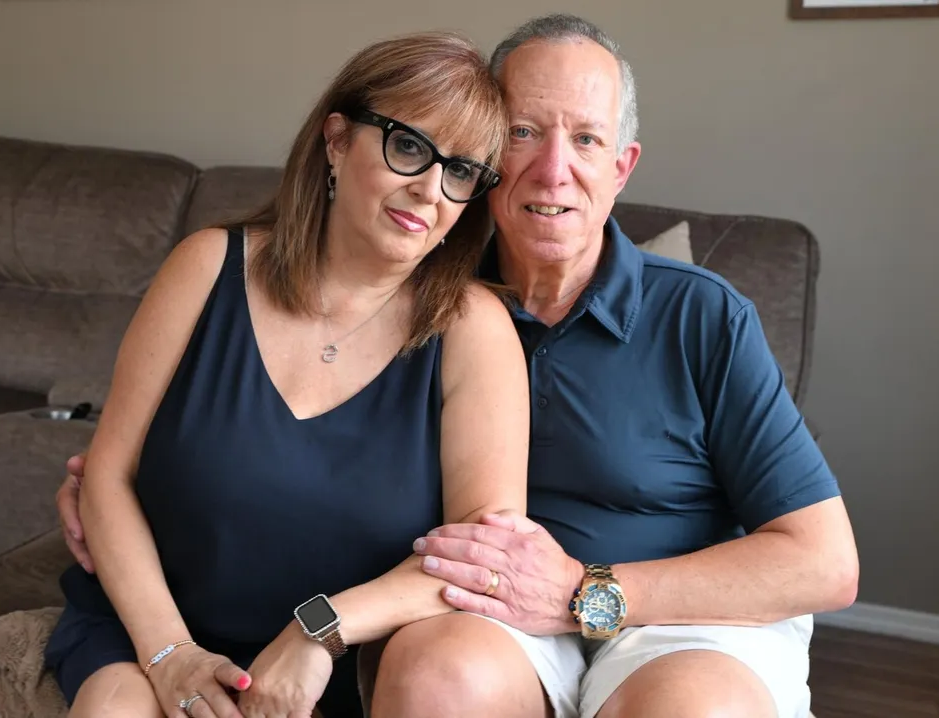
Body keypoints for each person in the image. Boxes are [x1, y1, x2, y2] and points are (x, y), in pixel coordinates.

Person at [58, 13, 860, 718]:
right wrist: (120, 487)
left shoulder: (699, 314)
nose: (553, 169)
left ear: (622, 166)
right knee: (439, 677)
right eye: (522, 134)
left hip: (656, 613)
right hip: (490, 617)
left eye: (585, 138)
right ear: (489, 159)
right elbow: (171, 449)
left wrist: (586, 594)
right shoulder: (427, 283)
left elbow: (824, 562)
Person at [42, 31, 531, 718]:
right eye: (410, 146)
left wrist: (319, 630)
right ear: (337, 139)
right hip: (152, 633)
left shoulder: (473, 329)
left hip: (339, 663)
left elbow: (480, 556)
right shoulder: (207, 266)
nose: (429, 190)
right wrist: (169, 655)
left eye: (461, 171)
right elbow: (108, 476)